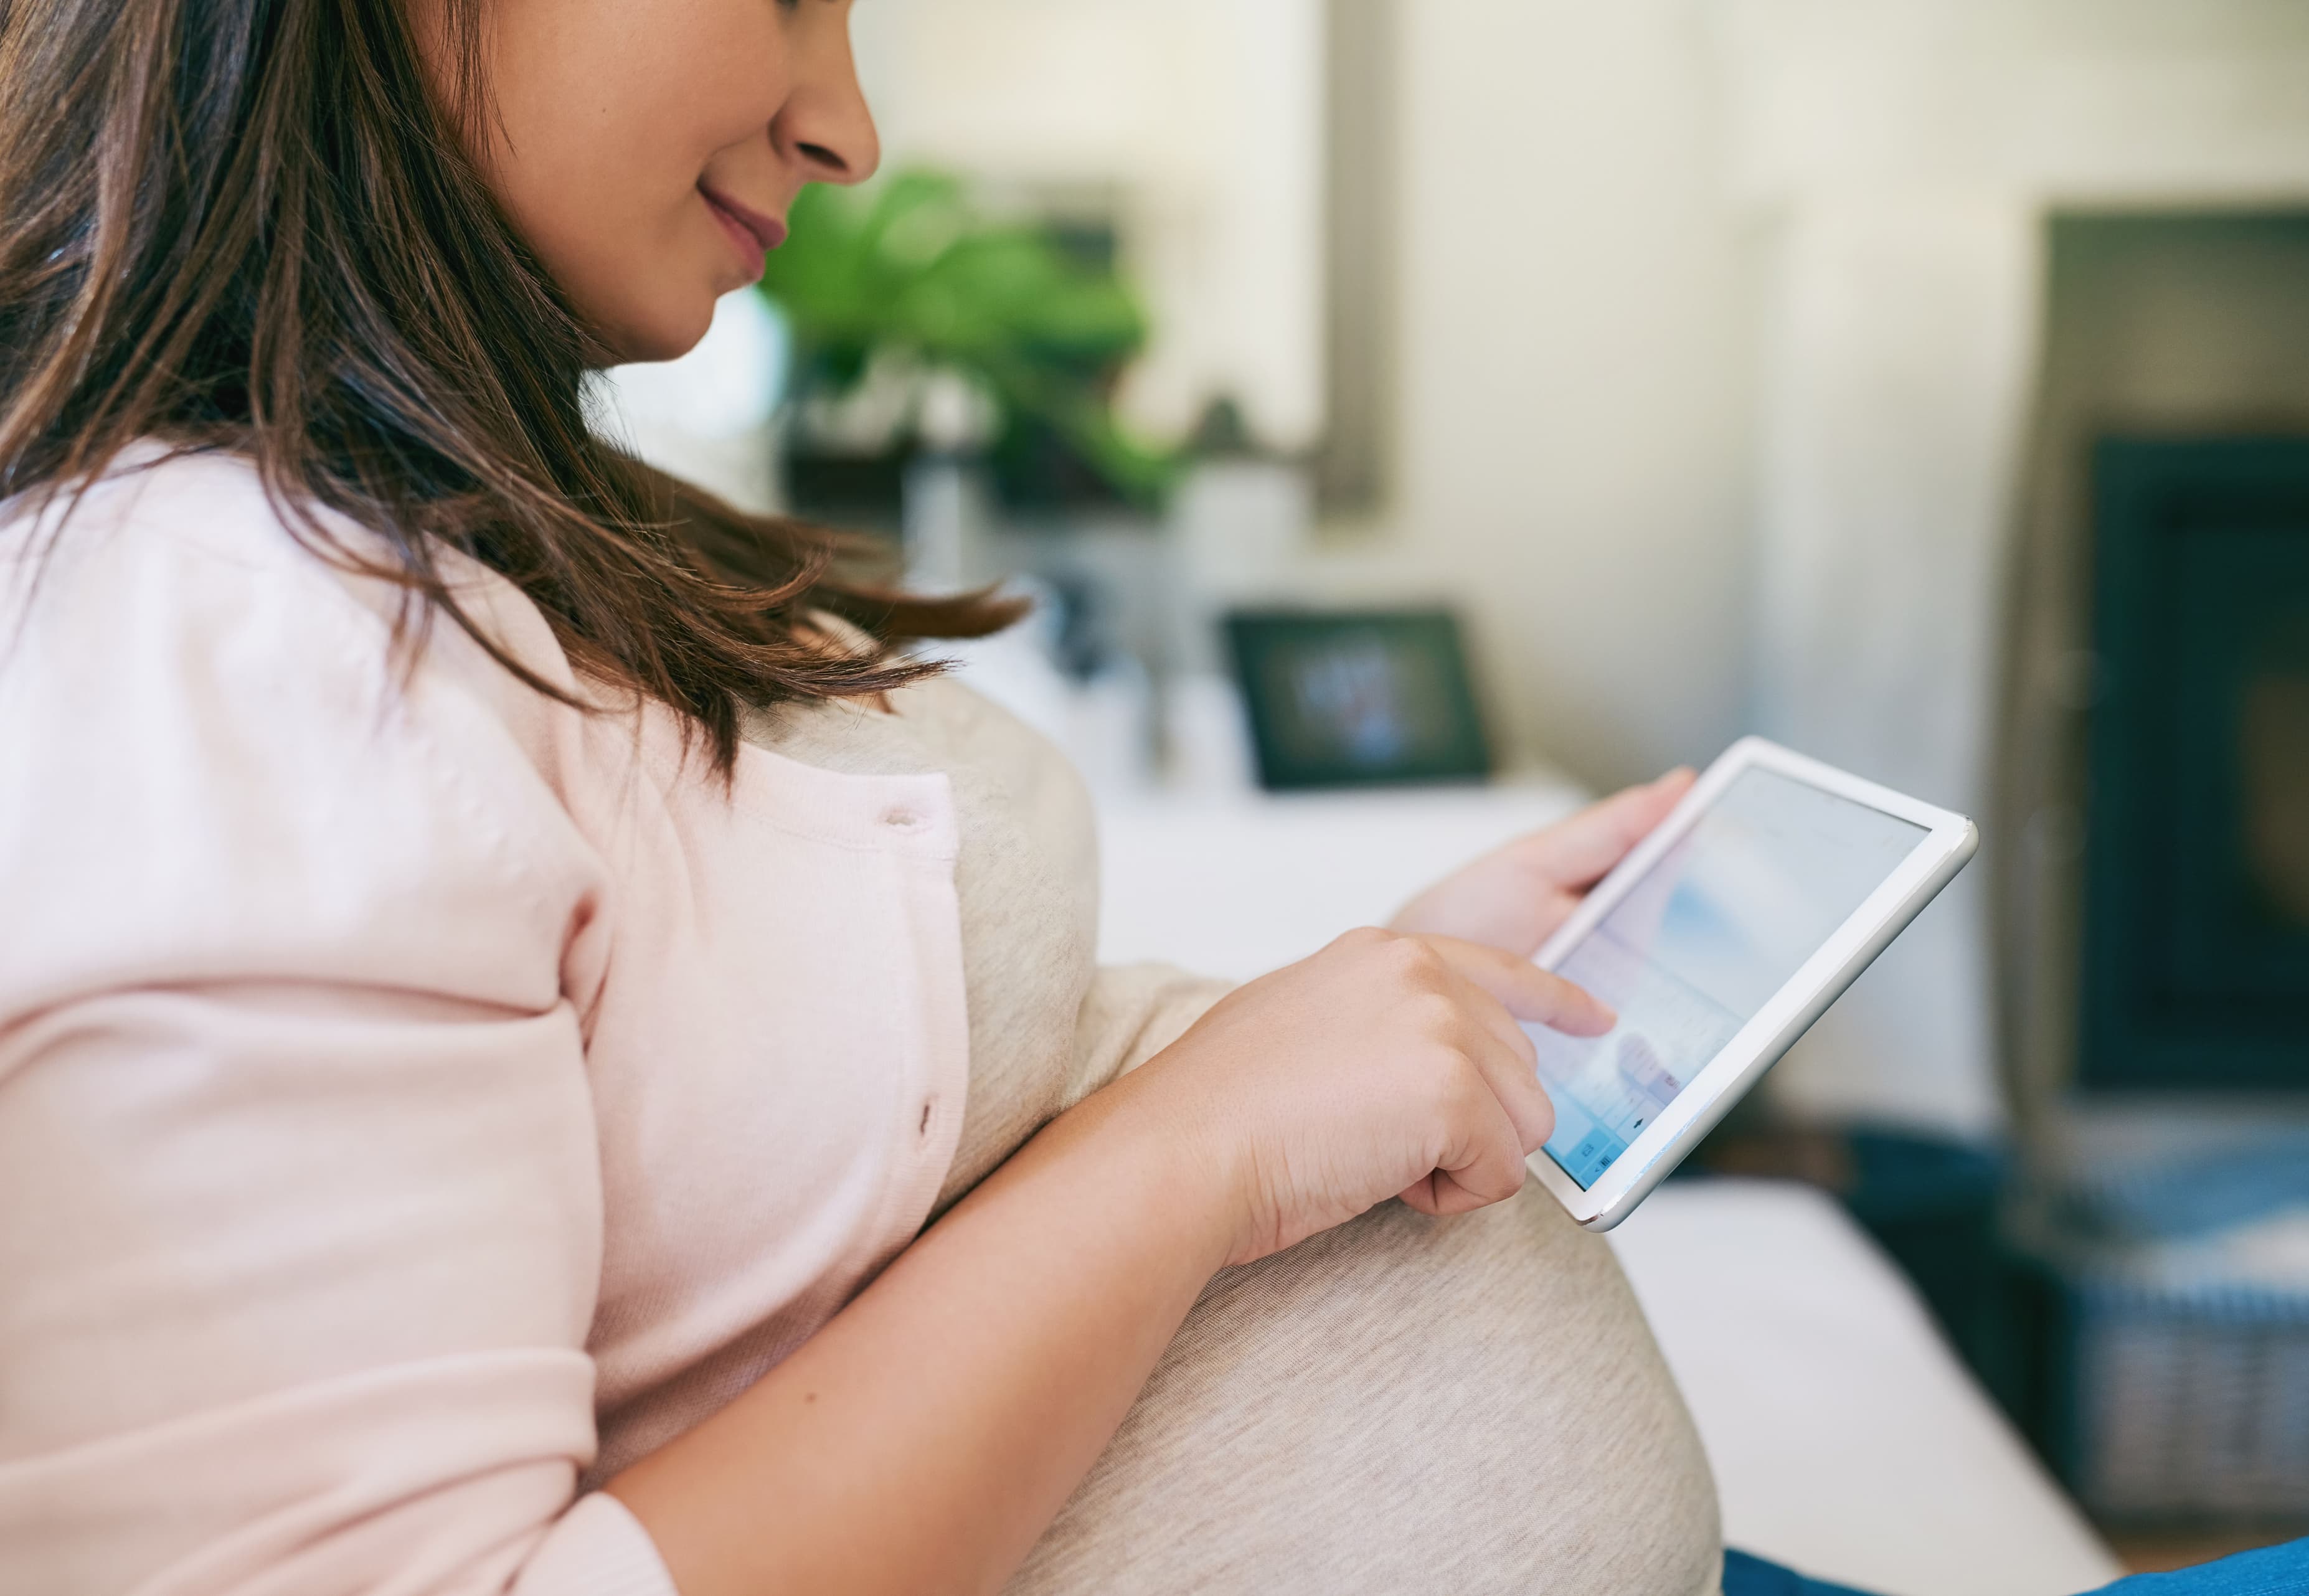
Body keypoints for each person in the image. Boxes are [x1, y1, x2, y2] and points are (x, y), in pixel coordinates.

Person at [0, 2, 1722, 1592]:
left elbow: (801, 1193)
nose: (846, 129)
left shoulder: (451, 529)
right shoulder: (222, 641)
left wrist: (1358, 1012)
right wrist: (1206, 1144)